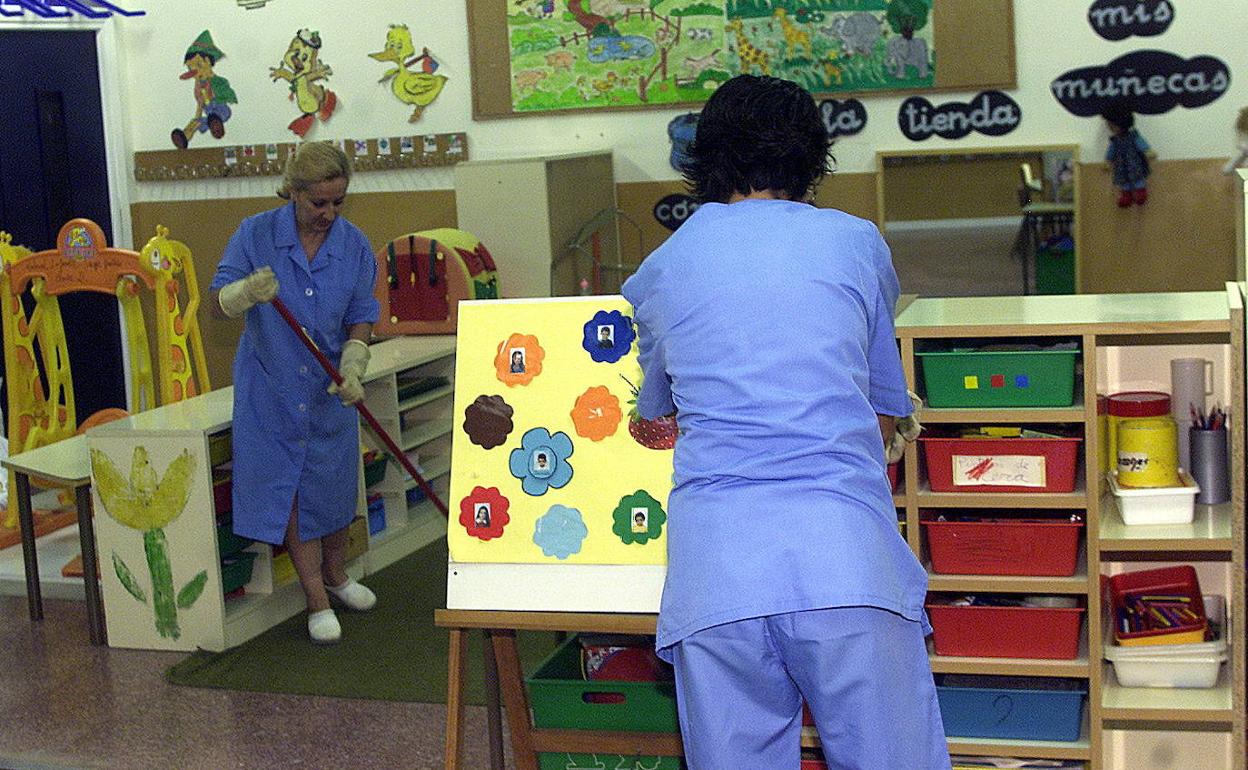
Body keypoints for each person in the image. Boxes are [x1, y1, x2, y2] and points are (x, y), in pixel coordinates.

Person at [620, 75, 947, 769]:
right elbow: (887, 408)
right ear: (815, 159)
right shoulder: (856, 244)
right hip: (845, 560)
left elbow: (655, 418)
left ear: (701, 158)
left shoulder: (661, 268)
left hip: (720, 576)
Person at [210, 142, 380, 645]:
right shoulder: (255, 233)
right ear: (294, 193)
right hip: (272, 389)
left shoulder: (354, 245)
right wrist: (243, 293)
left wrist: (355, 361)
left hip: (329, 389)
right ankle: (316, 598)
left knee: (332, 488)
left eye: (338, 202)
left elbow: (362, 312)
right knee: (290, 491)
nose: (328, 213)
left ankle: (336, 573)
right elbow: (218, 305)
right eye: (318, 204)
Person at [1102, 100, 1151, 207]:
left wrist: (1147, 151)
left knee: (1138, 177)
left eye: (1111, 125)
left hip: (1135, 163)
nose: (1110, 128)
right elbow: (1111, 152)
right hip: (1121, 165)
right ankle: (1126, 195)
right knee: (1123, 180)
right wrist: (1108, 161)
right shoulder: (1115, 141)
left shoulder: (1133, 137)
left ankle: (1140, 192)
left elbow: (1141, 144)